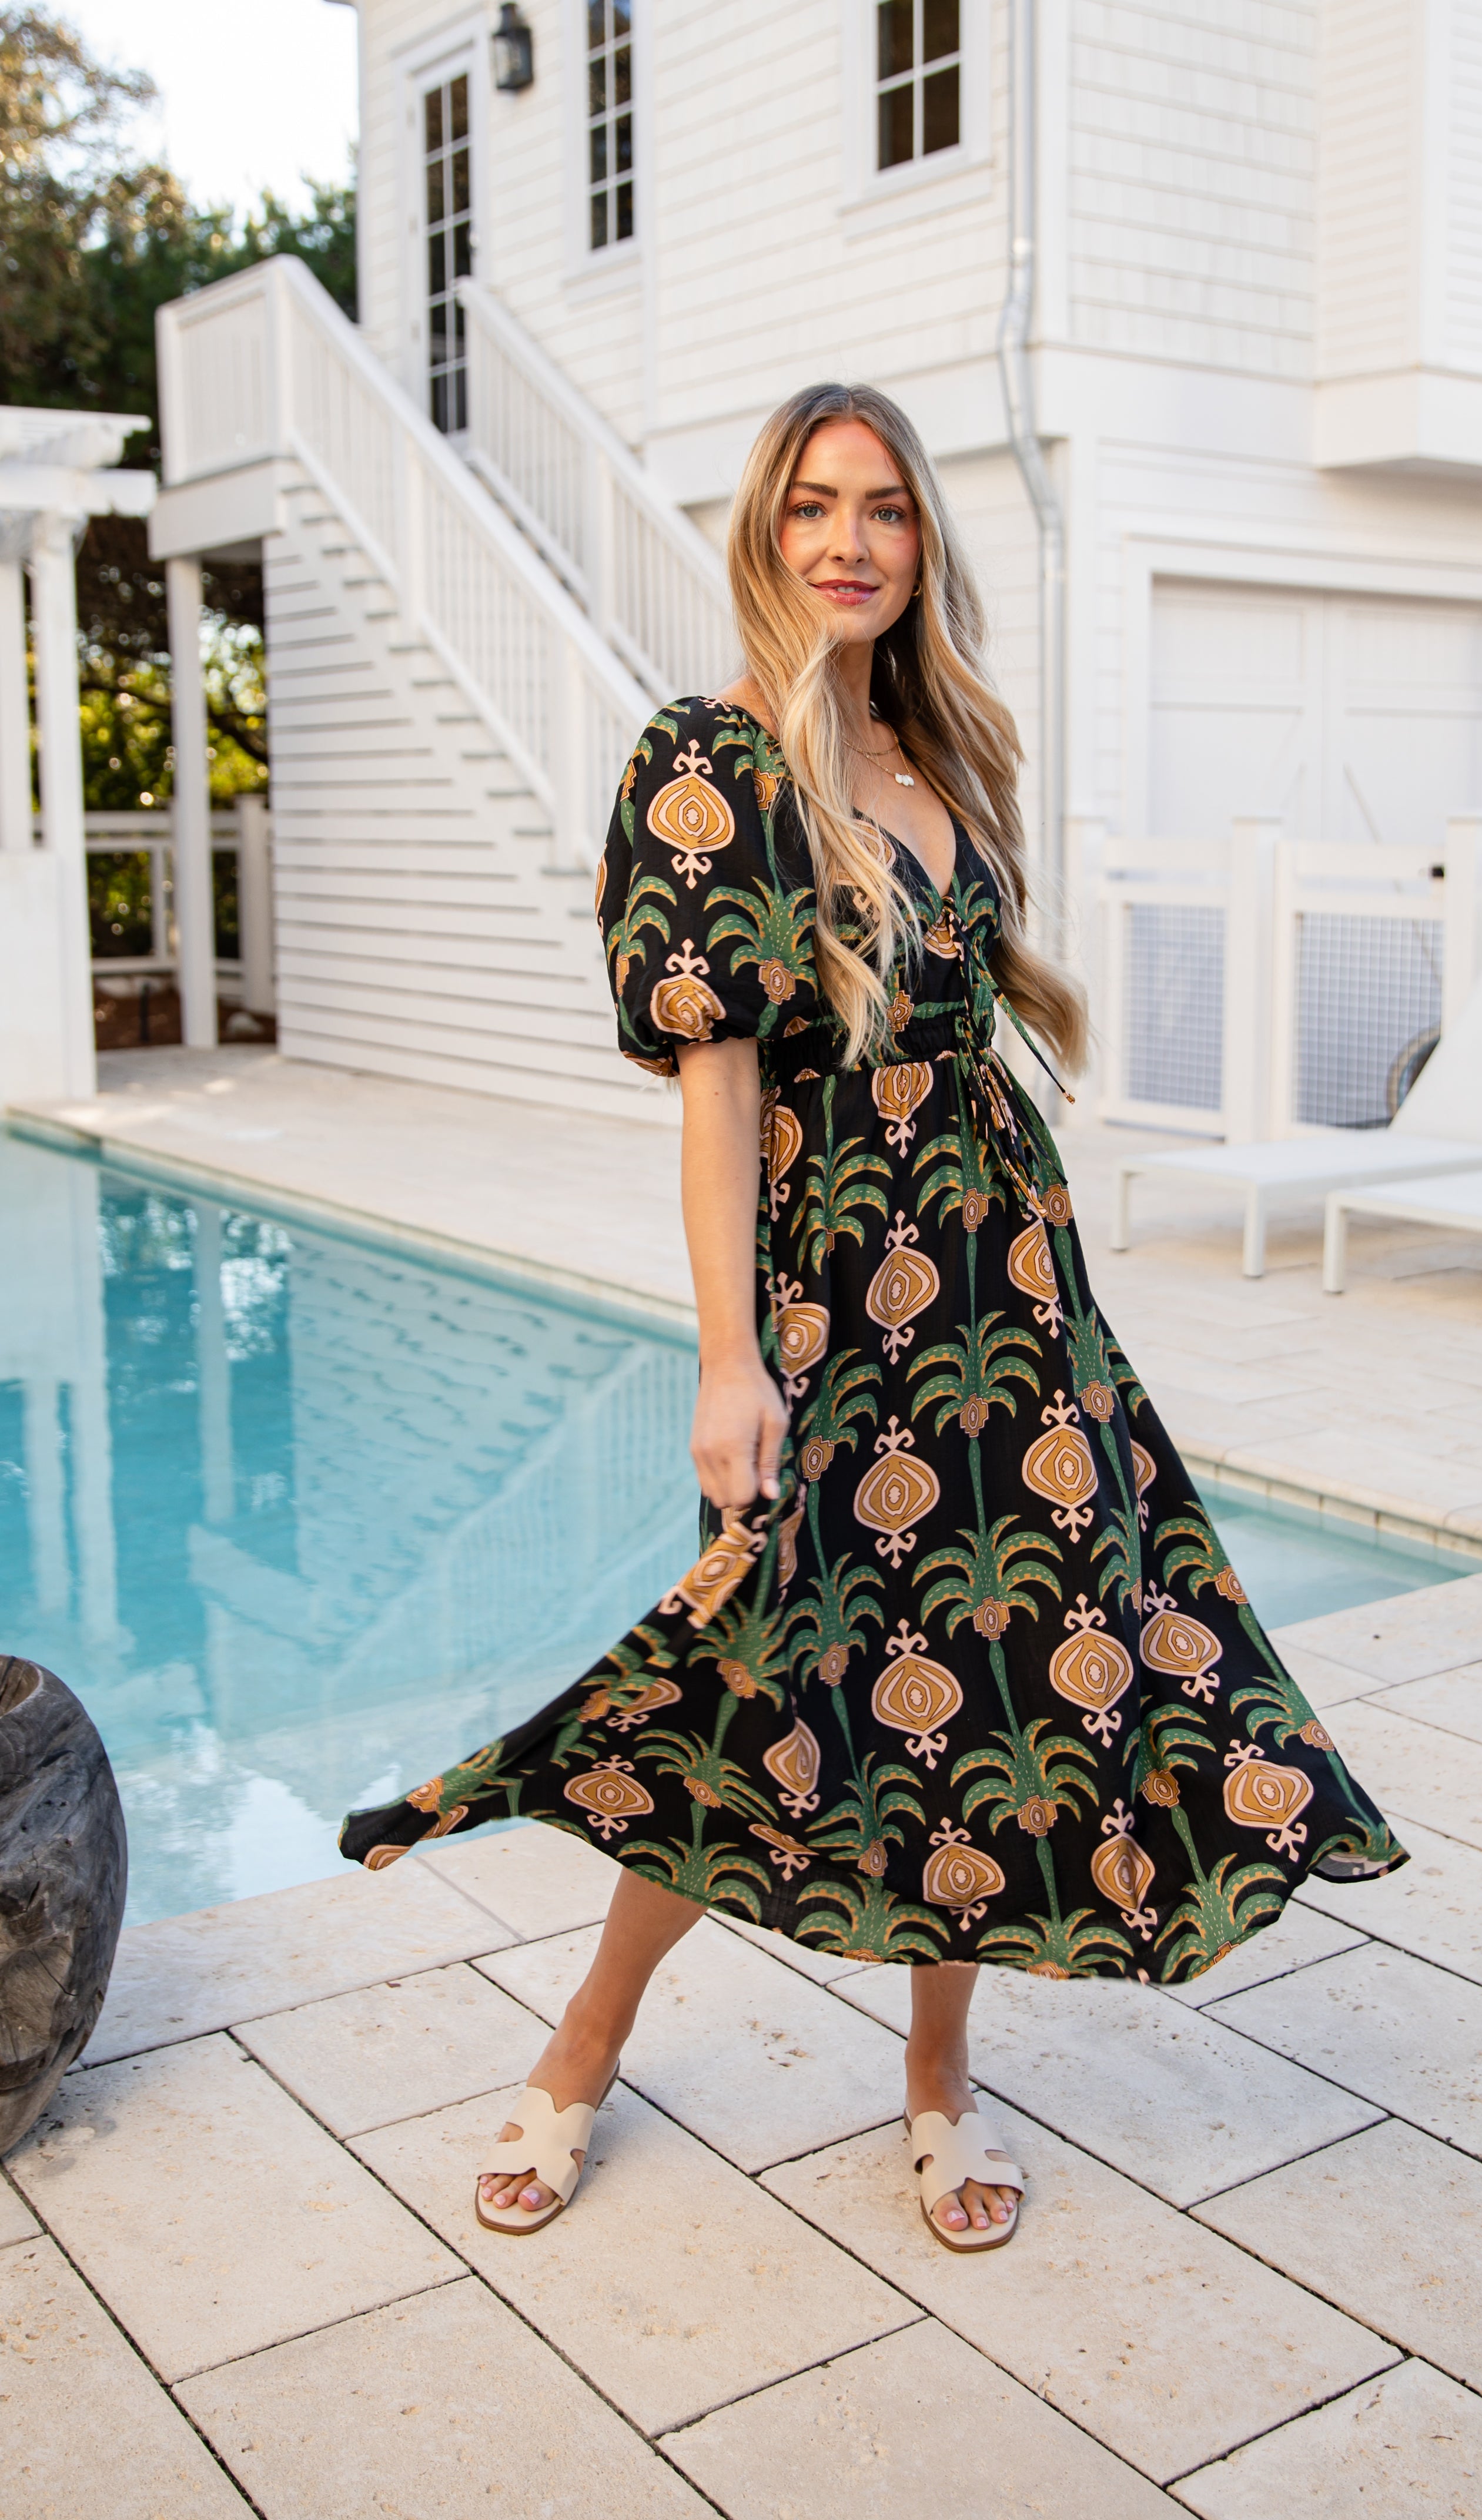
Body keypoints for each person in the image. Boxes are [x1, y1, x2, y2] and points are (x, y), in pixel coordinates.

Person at [340, 382, 1405, 2252]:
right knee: (749, 1683)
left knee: (991, 1684)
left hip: (1005, 1302)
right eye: (816, 506)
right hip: (832, 1313)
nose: (850, 539)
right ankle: (583, 2049)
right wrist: (730, 1358)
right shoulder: (710, 760)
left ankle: (934, 2084)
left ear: (921, 545)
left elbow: (972, 1028)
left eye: (887, 510)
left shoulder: (936, 751)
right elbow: (721, 1094)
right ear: (764, 534)